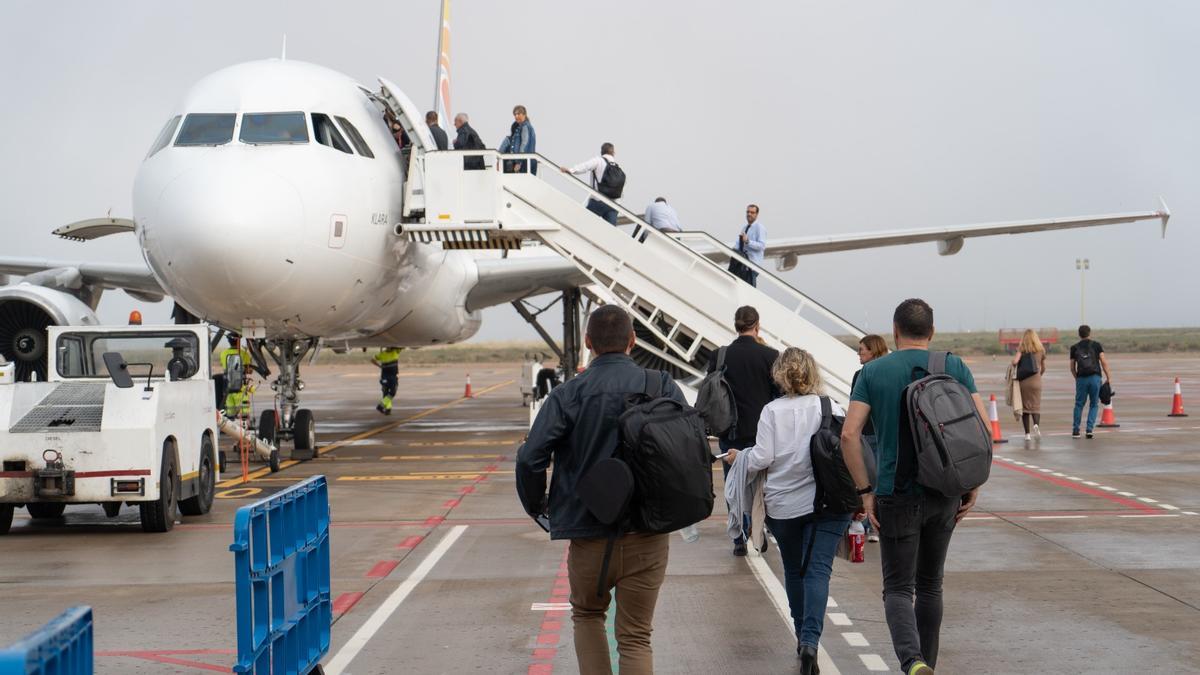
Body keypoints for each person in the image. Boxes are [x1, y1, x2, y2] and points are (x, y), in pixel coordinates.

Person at [516, 305, 683, 675]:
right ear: (632, 341)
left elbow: (530, 458)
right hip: (648, 532)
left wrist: (540, 507)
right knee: (637, 636)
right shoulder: (662, 387)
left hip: (588, 531)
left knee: (588, 616)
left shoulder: (567, 395)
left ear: (588, 343)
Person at [840, 298, 989, 675]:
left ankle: (913, 662)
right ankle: (928, 664)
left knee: (898, 588)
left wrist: (864, 492)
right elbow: (981, 429)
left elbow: (848, 435)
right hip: (945, 490)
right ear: (932, 332)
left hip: (895, 492)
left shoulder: (873, 372)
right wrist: (971, 482)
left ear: (894, 331)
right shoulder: (953, 365)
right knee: (930, 585)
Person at [723, 348, 851, 674]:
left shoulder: (771, 411)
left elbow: (763, 458)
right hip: (827, 503)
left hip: (783, 505)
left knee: (794, 571)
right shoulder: (830, 406)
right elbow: (847, 451)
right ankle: (811, 641)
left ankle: (800, 639)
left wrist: (742, 458)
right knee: (819, 571)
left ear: (780, 375)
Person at [707, 305, 779, 556]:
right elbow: (778, 395)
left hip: (730, 431)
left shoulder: (719, 356)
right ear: (757, 324)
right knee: (762, 483)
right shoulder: (771, 356)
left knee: (733, 485)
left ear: (735, 325)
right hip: (762, 431)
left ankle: (739, 535)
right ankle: (760, 529)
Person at [851, 334, 890, 542]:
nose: (859, 353)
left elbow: (854, 406)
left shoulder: (862, 375)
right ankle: (875, 526)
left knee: (864, 481)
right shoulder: (889, 372)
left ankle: (866, 525)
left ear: (873, 350)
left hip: (866, 433)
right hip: (882, 432)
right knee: (880, 479)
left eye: (862, 349)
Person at [1069, 324, 1112, 439]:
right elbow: (1103, 361)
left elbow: (1072, 367)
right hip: (1095, 378)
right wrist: (1108, 376)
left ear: (1079, 334)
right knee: (1094, 404)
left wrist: (1077, 378)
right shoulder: (1096, 345)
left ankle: (1076, 430)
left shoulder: (1074, 348)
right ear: (1089, 333)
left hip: (1081, 378)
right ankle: (1089, 429)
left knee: (1079, 404)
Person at [562, 143, 619, 225]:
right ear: (613, 153)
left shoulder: (598, 161)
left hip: (598, 201)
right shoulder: (618, 167)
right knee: (611, 233)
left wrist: (571, 170)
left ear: (602, 152)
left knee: (584, 225)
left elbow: (585, 166)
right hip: (613, 205)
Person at [1012, 329, 1047, 441]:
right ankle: (1036, 425)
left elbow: (1014, 362)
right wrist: (1038, 375)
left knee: (1026, 408)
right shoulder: (1041, 350)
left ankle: (1027, 434)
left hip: (1024, 382)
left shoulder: (1022, 349)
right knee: (1036, 406)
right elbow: (1043, 368)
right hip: (1036, 381)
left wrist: (1019, 354)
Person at [730, 204, 766, 287]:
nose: (749, 214)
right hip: (742, 265)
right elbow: (739, 243)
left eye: (752, 212)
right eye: (748, 212)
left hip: (751, 267)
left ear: (757, 214)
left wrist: (748, 241)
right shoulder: (744, 227)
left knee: (749, 289)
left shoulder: (760, 228)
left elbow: (762, 246)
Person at [219, 337, 255, 418]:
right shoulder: (243, 353)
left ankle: (231, 427)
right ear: (238, 341)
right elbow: (249, 371)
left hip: (227, 387)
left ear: (229, 341)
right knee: (244, 414)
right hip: (240, 388)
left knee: (230, 413)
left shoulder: (223, 353)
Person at [498, 104, 536, 174]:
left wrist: (519, 162)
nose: (516, 116)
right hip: (526, 162)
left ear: (524, 114)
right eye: (515, 115)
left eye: (518, 114)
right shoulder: (523, 127)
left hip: (524, 163)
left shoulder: (525, 126)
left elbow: (524, 144)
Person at [372, 347, 402, 415]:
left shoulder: (395, 351)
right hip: (387, 377)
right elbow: (372, 360)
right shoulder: (383, 354)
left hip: (389, 377)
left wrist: (380, 366)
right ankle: (384, 407)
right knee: (388, 393)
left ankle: (386, 408)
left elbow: (401, 346)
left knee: (389, 393)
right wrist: (379, 366)